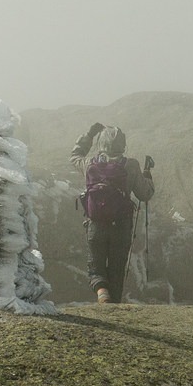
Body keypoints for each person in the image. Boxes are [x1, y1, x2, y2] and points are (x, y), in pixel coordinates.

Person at [70, 123, 154, 304]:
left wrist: (89, 134)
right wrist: (147, 175)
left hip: (95, 224)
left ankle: (102, 292)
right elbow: (145, 194)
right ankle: (113, 305)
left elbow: (75, 155)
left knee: (96, 266)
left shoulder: (90, 164)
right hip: (121, 226)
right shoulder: (130, 165)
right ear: (122, 144)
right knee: (116, 269)